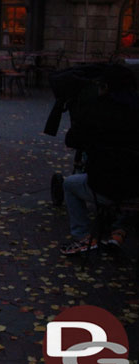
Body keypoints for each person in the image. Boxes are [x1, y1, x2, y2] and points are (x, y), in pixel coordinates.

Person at [58, 64, 139, 255]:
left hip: (103, 185)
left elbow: (72, 140)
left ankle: (83, 236)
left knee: (70, 184)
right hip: (135, 184)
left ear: (106, 87)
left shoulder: (95, 109)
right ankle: (119, 230)